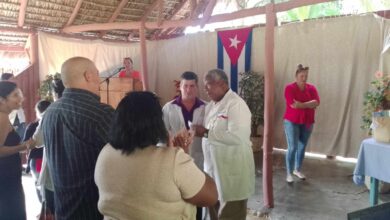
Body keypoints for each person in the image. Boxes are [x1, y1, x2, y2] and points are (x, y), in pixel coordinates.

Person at [95, 91, 218, 220]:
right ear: (156, 124)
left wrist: (177, 153)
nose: (188, 90)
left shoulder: (105, 153)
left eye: (191, 86)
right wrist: (180, 155)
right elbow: (211, 196)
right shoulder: (172, 160)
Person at [41, 57, 114, 220]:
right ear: (88, 76)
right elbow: (127, 156)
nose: (99, 79)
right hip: (93, 209)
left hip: (63, 208)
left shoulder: (50, 112)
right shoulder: (101, 113)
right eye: (97, 74)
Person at [192, 69, 255, 220]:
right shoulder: (211, 106)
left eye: (208, 85)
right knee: (214, 212)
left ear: (221, 83)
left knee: (230, 214)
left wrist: (205, 132)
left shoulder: (236, 104)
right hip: (214, 170)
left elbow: (238, 137)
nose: (205, 90)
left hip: (232, 173)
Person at [162, 71, 206, 220]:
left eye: (192, 86)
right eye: (185, 86)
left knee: (198, 196)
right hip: (176, 161)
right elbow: (162, 136)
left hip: (200, 160)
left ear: (197, 87)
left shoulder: (206, 107)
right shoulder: (169, 108)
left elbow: (210, 134)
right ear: (180, 87)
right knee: (178, 196)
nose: (188, 89)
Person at [0, 81, 34, 220]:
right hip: (5, 176)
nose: (20, 98)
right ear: (2, 99)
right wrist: (23, 146)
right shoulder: (1, 117)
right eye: (15, 95)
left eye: (19, 94)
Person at [33, 78, 65, 215]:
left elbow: (38, 140)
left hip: (54, 171)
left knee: (53, 211)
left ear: (54, 93)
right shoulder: (83, 109)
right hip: (78, 173)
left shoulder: (49, 113)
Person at [284, 64, 320, 183]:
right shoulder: (289, 88)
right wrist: (309, 104)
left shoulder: (312, 88)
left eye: (306, 76)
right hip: (292, 121)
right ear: (296, 76)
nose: (304, 78)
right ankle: (289, 173)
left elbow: (317, 102)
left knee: (302, 146)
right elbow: (293, 105)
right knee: (293, 147)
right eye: (301, 76)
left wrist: (302, 105)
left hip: (307, 121)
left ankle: (297, 169)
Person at [23, 100, 51, 202]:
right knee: (47, 185)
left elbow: (26, 143)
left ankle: (44, 210)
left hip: (37, 159)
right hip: (49, 159)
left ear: (38, 112)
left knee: (40, 184)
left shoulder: (33, 126)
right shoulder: (53, 120)